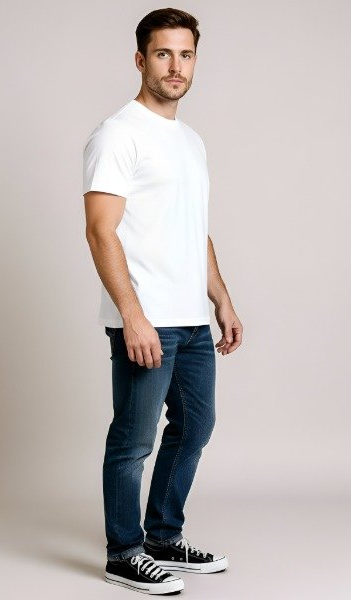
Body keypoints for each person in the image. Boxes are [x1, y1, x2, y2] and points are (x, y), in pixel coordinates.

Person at [82, 8, 243, 595]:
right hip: (146, 318)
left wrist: (221, 297)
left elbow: (193, 228)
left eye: (186, 54)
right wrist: (132, 315)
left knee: (196, 426)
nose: (176, 66)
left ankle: (163, 538)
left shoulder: (191, 141)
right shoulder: (117, 134)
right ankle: (124, 553)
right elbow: (100, 230)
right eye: (163, 53)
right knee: (133, 440)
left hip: (192, 319)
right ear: (140, 59)